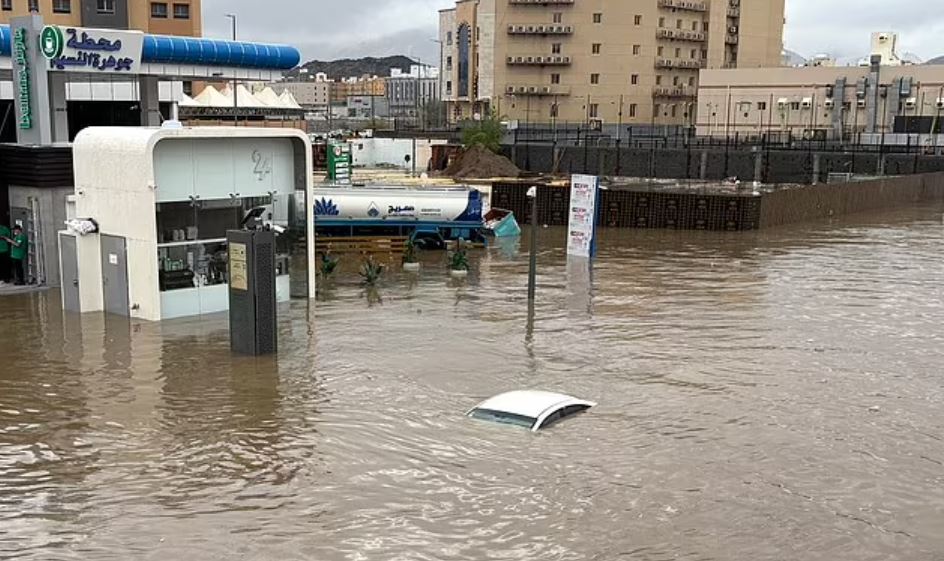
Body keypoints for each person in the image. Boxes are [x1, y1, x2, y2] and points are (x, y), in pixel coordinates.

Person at [0, 219, 10, 285]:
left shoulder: (5, 228)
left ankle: (6, 278)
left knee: (5, 264)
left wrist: (3, 237)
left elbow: (9, 237)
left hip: (4, 249)